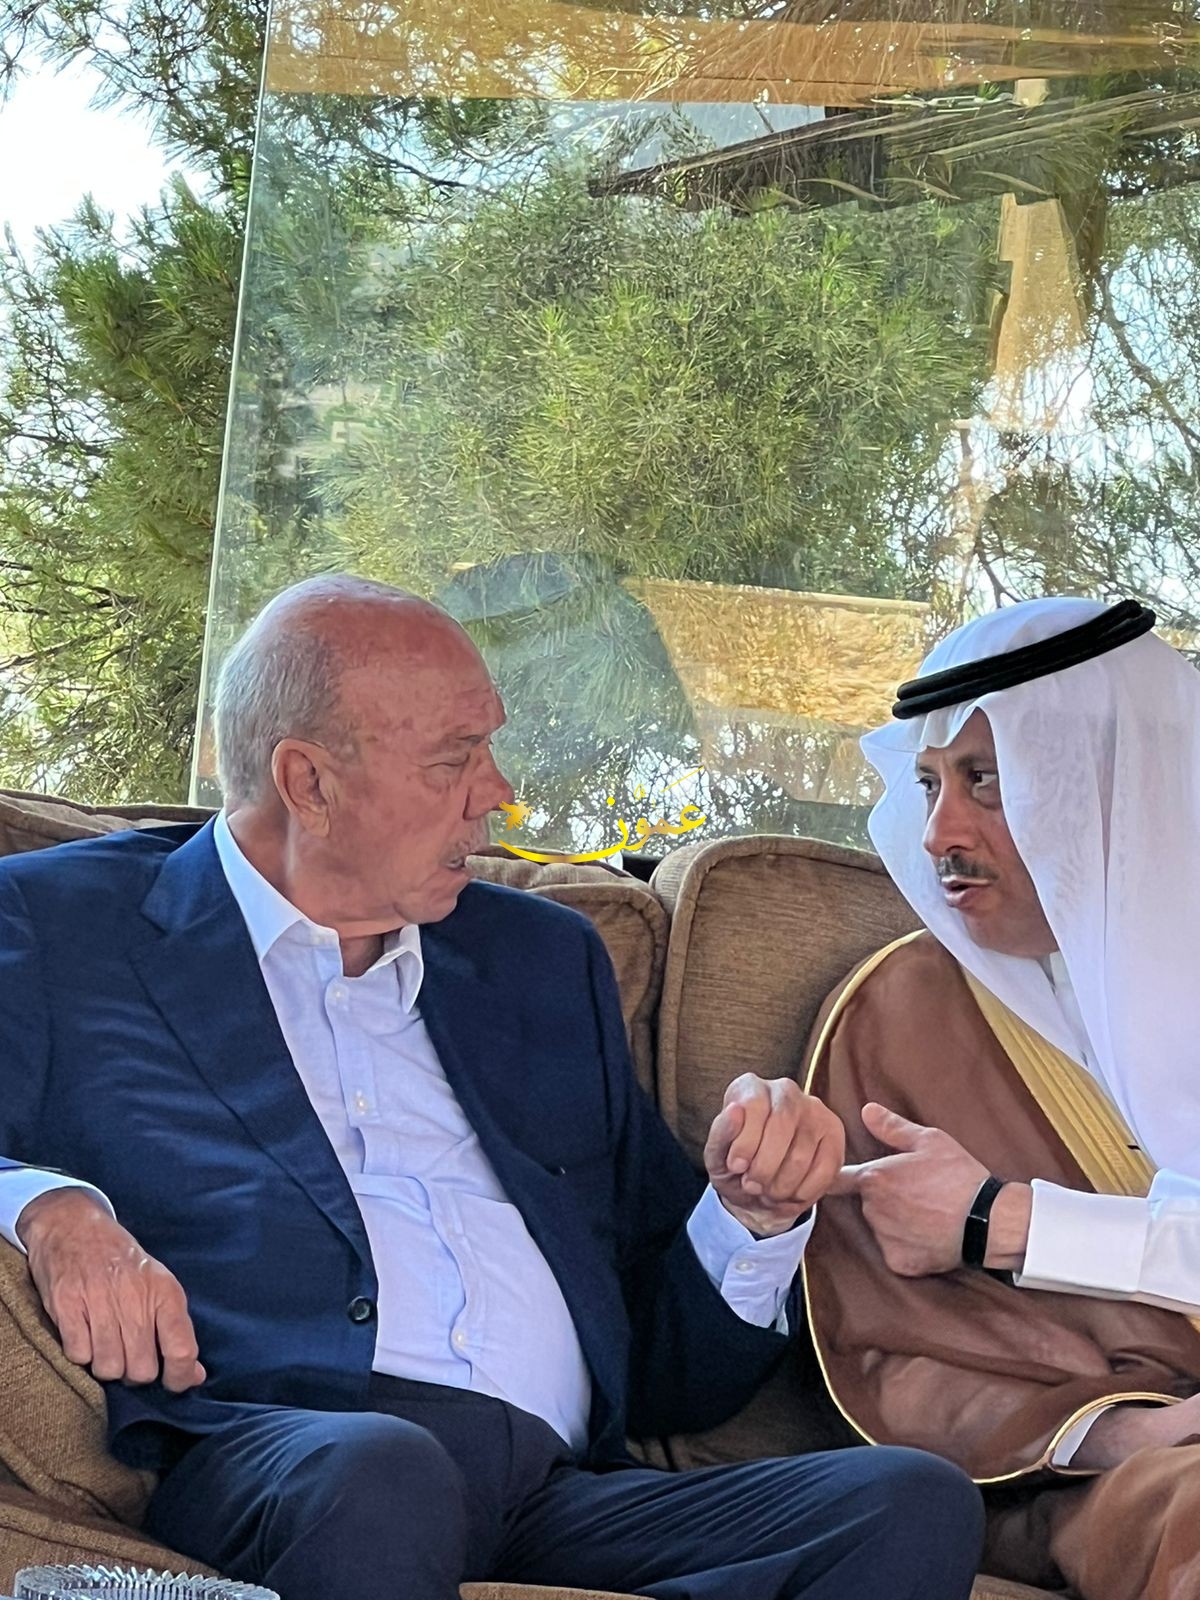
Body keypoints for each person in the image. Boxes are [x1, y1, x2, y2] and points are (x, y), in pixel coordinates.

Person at [0, 575, 983, 1600]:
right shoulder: (59, 923)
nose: (498, 790)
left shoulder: (541, 960)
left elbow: (665, 1372)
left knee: (911, 1502)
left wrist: (753, 1214)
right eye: (454, 758)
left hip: (556, 1493)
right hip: (289, 1457)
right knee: (384, 1475)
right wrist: (49, 1208)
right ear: (308, 782)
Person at [803, 596, 1200, 1600]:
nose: (941, 831)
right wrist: (1116, 1434)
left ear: (1112, 780)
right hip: (1102, 1471)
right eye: (929, 784)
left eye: (987, 779)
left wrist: (1003, 1220)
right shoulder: (901, 1017)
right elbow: (887, 1340)